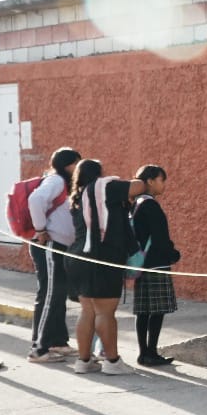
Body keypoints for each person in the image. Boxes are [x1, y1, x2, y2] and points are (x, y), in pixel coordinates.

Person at [68, 159, 149, 376]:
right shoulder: (104, 188)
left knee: (87, 311)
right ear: (98, 174)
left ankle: (83, 361)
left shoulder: (78, 196)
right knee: (105, 312)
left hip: (79, 257)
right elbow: (140, 185)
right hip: (102, 257)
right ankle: (112, 362)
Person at [26, 147, 82, 363]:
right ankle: (38, 349)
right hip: (49, 245)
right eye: (76, 163)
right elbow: (35, 200)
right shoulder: (56, 180)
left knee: (58, 294)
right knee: (49, 295)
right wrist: (40, 229)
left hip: (59, 246)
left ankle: (58, 342)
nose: (78, 167)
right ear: (67, 165)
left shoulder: (63, 183)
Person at [129, 165, 180, 367]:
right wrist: (173, 254)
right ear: (150, 181)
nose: (163, 184)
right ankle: (151, 352)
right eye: (161, 180)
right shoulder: (151, 205)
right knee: (157, 310)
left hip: (141, 263)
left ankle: (144, 352)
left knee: (143, 310)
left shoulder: (136, 204)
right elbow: (160, 238)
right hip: (157, 263)